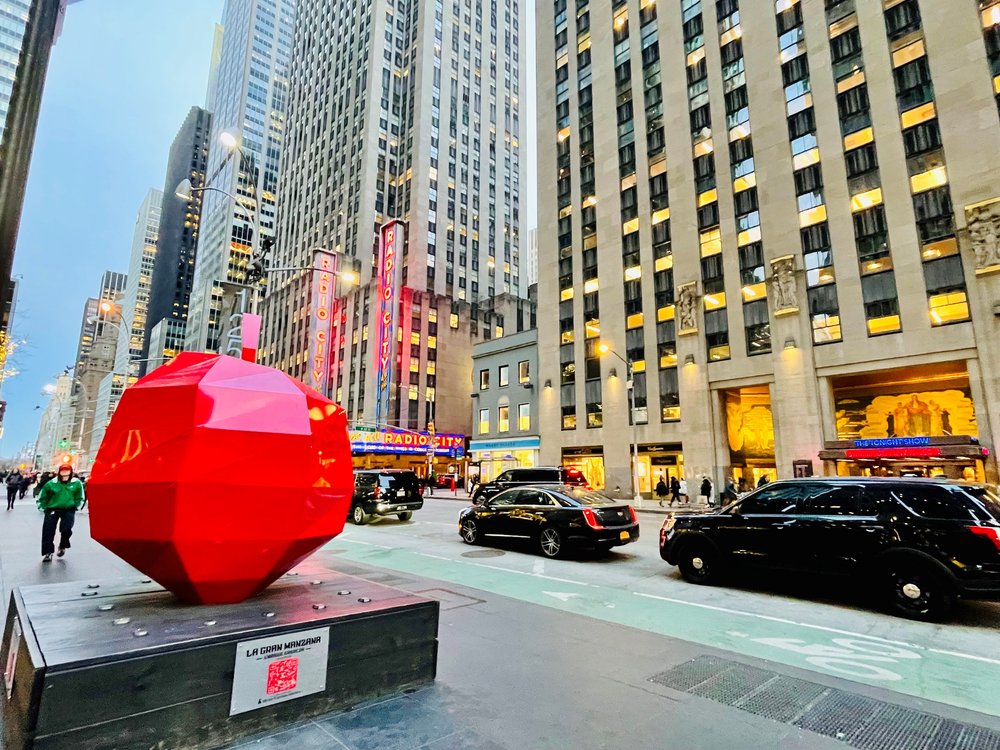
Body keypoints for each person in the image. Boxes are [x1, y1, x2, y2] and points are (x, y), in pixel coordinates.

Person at [36, 464, 85, 562]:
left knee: (66, 529)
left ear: (71, 472)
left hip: (68, 509)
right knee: (48, 531)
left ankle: (63, 545)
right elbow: (42, 497)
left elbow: (80, 496)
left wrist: (76, 506)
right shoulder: (51, 483)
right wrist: (43, 508)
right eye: (63, 470)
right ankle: (48, 552)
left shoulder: (76, 483)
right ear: (59, 472)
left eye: (67, 470)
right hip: (52, 509)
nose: (65, 472)